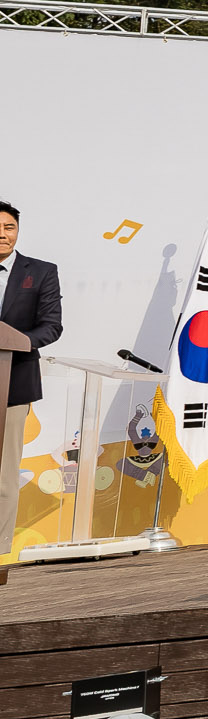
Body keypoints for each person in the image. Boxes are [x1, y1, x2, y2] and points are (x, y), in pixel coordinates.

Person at [0, 201, 65, 573]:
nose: (2, 233)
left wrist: (17, 341)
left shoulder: (40, 272)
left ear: (17, 231)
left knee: (5, 471)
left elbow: (51, 325)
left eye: (9, 227)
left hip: (13, 382)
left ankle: (0, 550)